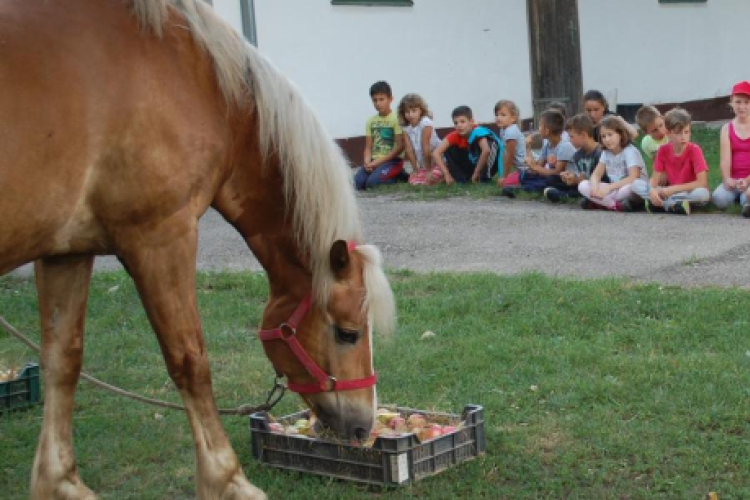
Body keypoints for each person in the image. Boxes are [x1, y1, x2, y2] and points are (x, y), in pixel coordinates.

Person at [632, 108, 709, 215]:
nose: (683, 137)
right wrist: (652, 190)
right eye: (678, 133)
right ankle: (674, 205)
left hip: (687, 190)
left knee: (702, 194)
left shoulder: (695, 150)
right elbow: (654, 179)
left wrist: (672, 190)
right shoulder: (663, 150)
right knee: (636, 184)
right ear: (668, 133)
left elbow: (702, 182)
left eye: (686, 132)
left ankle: (663, 204)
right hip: (669, 191)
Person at [578, 115, 647, 211]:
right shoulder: (606, 153)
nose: (607, 139)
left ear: (620, 134)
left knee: (629, 188)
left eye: (610, 135)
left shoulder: (629, 151)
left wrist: (609, 188)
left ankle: (600, 202)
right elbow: (596, 175)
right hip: (614, 190)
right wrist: (595, 187)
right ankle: (613, 205)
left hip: (630, 189)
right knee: (583, 185)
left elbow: (633, 177)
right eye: (603, 136)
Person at [501, 109, 575, 197]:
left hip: (562, 179)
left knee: (551, 179)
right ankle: (529, 186)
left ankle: (525, 188)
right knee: (528, 176)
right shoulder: (547, 144)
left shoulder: (565, 146)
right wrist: (528, 147)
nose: (538, 129)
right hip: (548, 177)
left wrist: (535, 167)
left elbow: (557, 172)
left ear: (547, 130)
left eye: (540, 125)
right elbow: (536, 169)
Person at [354, 81, 406, 190]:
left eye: (382, 99)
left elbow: (400, 147)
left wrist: (378, 162)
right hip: (375, 161)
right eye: (375, 100)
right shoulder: (371, 121)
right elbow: (368, 147)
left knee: (373, 183)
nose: (378, 103)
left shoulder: (396, 119)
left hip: (392, 161)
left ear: (390, 99)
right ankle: (379, 174)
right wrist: (367, 162)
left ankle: (399, 176)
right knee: (356, 183)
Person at [432, 106, 502, 184]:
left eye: (462, 121)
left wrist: (477, 172)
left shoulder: (478, 131)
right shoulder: (455, 135)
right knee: (449, 148)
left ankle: (484, 177)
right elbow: (436, 153)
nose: (459, 125)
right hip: (471, 162)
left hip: (487, 164)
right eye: (456, 123)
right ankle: (461, 178)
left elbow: (486, 150)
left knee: (489, 143)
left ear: (471, 122)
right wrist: (446, 174)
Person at [543, 114, 602, 203]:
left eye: (571, 137)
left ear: (583, 135)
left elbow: (601, 178)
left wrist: (578, 182)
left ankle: (565, 195)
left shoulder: (599, 153)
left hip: (599, 185)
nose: (570, 140)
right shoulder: (578, 155)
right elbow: (582, 178)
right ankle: (567, 194)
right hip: (584, 185)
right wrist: (572, 178)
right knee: (553, 179)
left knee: (584, 189)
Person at [712, 81, 750, 215]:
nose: (742, 107)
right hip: (735, 180)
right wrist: (727, 179)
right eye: (738, 102)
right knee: (719, 198)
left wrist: (747, 180)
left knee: (747, 196)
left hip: (749, 179)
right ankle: (739, 198)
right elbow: (725, 159)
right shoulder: (726, 129)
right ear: (732, 102)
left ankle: (744, 200)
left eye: (746, 102)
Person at [397, 93, 444, 186]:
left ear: (421, 111)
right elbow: (409, 149)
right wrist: (415, 170)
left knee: (431, 178)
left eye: (414, 111)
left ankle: (442, 177)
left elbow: (425, 147)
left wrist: (429, 170)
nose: (410, 115)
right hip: (423, 163)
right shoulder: (406, 128)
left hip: (437, 161)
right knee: (413, 181)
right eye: (407, 112)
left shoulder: (425, 123)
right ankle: (426, 174)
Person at [494, 100, 526, 187]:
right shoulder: (503, 129)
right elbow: (505, 154)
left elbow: (510, 156)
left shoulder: (511, 131)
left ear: (513, 118)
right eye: (497, 115)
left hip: (528, 169)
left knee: (507, 183)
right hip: (521, 169)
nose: (498, 118)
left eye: (503, 115)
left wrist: (504, 177)